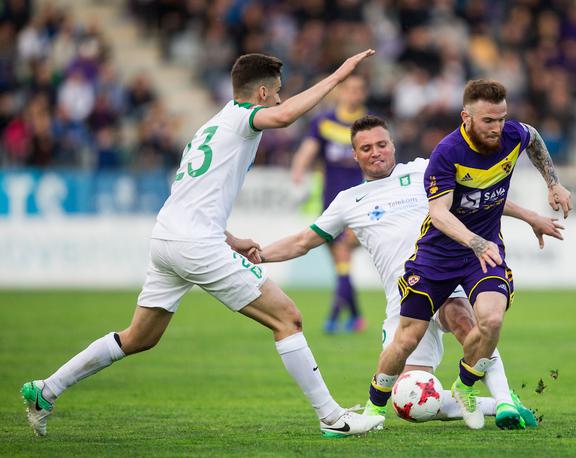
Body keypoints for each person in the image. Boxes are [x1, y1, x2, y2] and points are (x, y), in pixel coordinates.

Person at [20, 50, 385, 439]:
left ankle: (46, 390)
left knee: (139, 337)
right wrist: (337, 75)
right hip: (195, 243)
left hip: (168, 238)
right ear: (261, 92)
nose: (279, 99)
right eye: (277, 92)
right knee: (287, 318)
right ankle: (332, 418)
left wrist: (232, 239)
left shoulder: (211, 127)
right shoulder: (246, 119)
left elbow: (190, 197)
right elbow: (283, 116)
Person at [256, 115, 564, 429]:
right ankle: (488, 403)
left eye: (381, 144)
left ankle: (504, 401)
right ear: (355, 155)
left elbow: (478, 196)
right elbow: (302, 241)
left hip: (441, 275)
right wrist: (260, 255)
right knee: (410, 400)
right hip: (402, 301)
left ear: (393, 145)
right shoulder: (347, 201)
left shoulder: (422, 170)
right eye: (366, 148)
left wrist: (530, 216)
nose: (375, 152)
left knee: (466, 321)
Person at [367, 79, 573, 430]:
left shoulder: (513, 135)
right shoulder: (447, 154)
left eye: (502, 119)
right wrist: (476, 242)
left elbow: (534, 138)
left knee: (490, 321)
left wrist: (552, 183)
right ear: (466, 117)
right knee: (408, 337)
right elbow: (439, 213)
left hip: (483, 253)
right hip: (437, 255)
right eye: (488, 121)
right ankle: (372, 412)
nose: (497, 128)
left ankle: (464, 386)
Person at [290, 75, 369, 333]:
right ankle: (355, 317)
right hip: (330, 203)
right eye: (349, 89)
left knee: (342, 253)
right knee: (339, 260)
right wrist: (299, 167)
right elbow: (309, 148)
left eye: (358, 89)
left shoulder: (368, 125)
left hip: (360, 203)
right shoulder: (324, 122)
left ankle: (335, 317)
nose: (354, 94)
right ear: (340, 92)